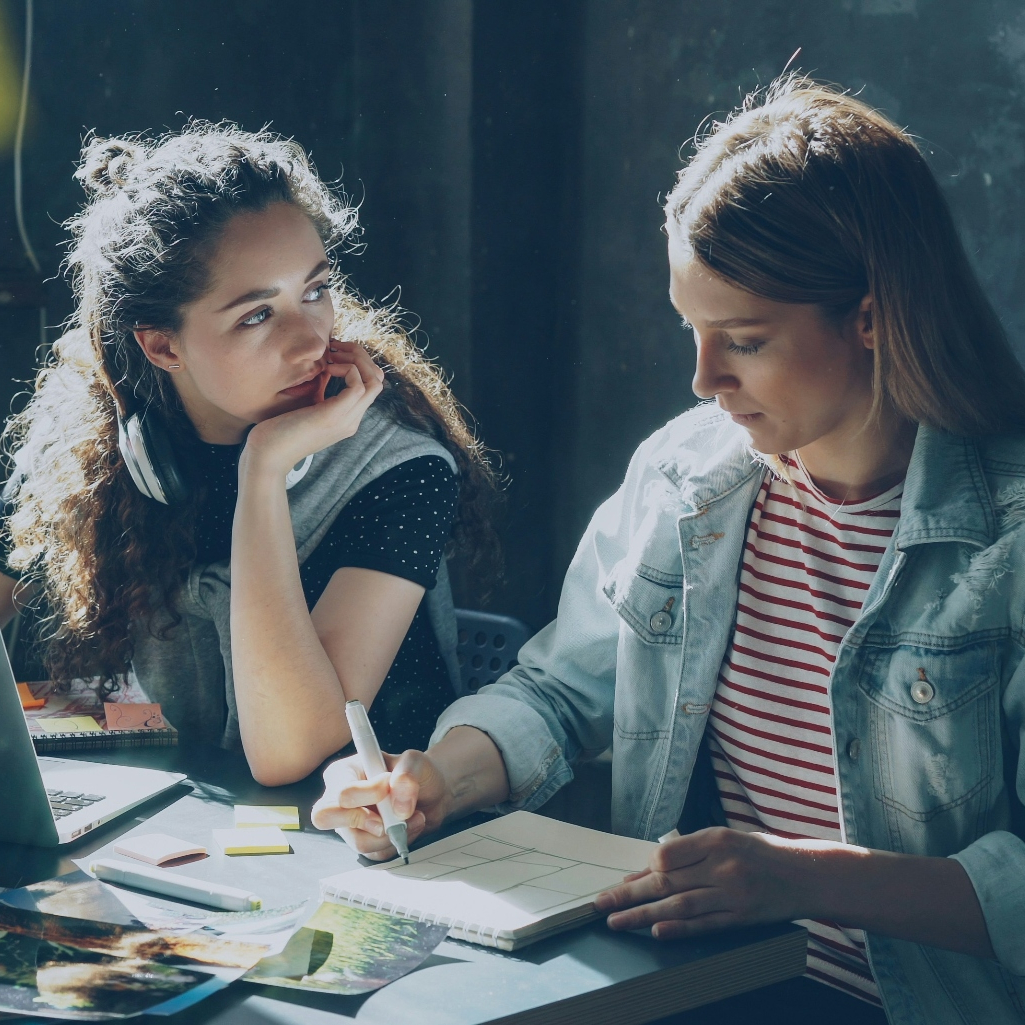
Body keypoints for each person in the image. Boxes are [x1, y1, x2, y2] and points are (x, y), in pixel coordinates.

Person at [312, 77, 1025, 1025]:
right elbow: (560, 695)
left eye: (744, 339)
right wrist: (437, 776)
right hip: (697, 985)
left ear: (870, 316)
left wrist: (804, 879)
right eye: (691, 332)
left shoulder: (1006, 537)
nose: (703, 379)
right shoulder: (687, 477)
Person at [0, 123, 496, 786]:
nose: (308, 342)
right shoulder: (87, 446)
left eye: (315, 290)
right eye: (256, 315)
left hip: (361, 847)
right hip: (186, 825)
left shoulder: (401, 469)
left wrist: (262, 470)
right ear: (162, 347)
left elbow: (287, 752)